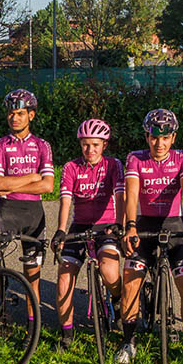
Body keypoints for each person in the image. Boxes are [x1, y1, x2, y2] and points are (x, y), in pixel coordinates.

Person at [118, 109, 183, 364]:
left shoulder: (182, 158)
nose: (159, 144)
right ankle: (128, 342)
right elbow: (132, 193)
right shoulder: (135, 159)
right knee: (131, 284)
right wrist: (131, 226)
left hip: (175, 227)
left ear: (173, 137)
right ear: (147, 137)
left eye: (165, 138)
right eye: (153, 137)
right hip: (144, 226)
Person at [0, 89, 53, 319]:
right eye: (10, 114)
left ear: (31, 115)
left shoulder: (42, 146)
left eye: (19, 113)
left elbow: (47, 186)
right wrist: (31, 177)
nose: (14, 118)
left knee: (32, 277)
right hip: (7, 213)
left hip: (34, 215)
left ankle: (32, 327)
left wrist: (12, 185)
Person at [50, 119, 124, 351]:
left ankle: (118, 299)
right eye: (85, 145)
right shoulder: (71, 167)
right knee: (64, 280)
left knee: (109, 270)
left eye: (95, 145)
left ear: (104, 145)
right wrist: (61, 230)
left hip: (107, 226)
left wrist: (120, 224)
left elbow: (120, 196)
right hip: (79, 227)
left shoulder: (113, 165)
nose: (90, 150)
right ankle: (67, 335)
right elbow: (66, 201)